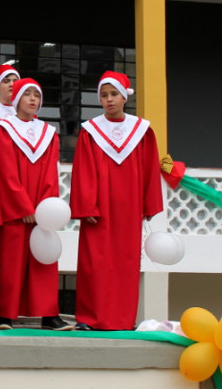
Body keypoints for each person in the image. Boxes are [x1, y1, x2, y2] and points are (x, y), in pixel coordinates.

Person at [70, 71, 163, 331]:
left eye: (114, 94)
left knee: (126, 261)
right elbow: (83, 171)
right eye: (104, 95)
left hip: (129, 207)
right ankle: (90, 318)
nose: (109, 99)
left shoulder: (142, 131)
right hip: (99, 207)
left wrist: (149, 204)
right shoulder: (91, 131)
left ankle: (122, 319)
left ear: (124, 97)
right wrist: (86, 205)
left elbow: (150, 169)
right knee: (95, 262)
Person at [0, 78, 69, 330]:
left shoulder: (48, 133)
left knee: (43, 260)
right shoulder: (4, 129)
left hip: (41, 209)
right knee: (11, 260)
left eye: (37, 95)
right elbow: (6, 171)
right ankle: (5, 314)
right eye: (27, 94)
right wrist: (23, 207)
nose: (33, 99)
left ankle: (49, 314)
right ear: (17, 99)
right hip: (15, 208)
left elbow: (50, 174)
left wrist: (44, 209)